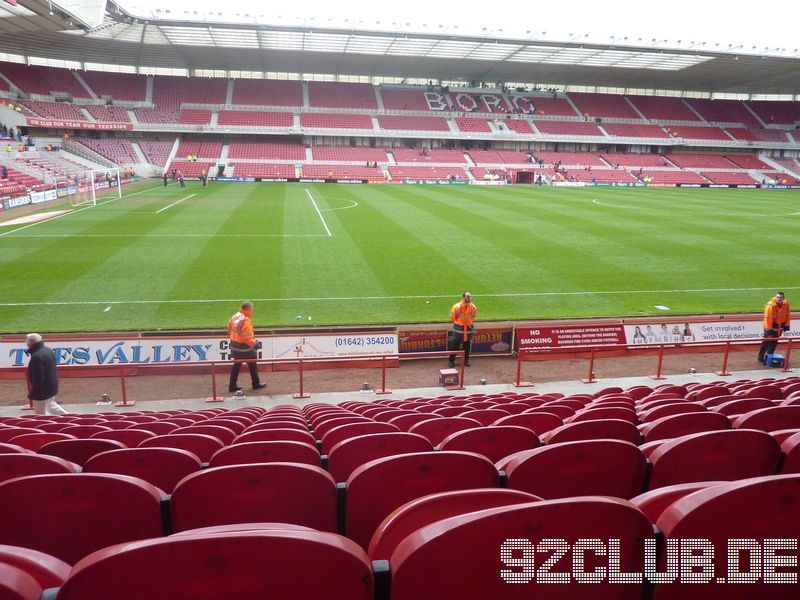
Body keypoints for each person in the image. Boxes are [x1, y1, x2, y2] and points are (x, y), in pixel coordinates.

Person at [227, 301, 266, 393]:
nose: (253, 310)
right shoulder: (246, 321)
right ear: (248, 309)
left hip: (235, 346)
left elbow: (229, 329)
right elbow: (247, 338)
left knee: (236, 366)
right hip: (245, 348)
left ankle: (232, 386)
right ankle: (256, 384)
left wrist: (236, 338)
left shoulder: (235, 316)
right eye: (252, 308)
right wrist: (256, 345)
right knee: (253, 365)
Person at [25, 333, 67, 416]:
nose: (26, 343)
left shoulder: (37, 357)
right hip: (51, 387)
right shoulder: (48, 350)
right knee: (51, 405)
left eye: (26, 341)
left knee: (41, 415)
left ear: (31, 342)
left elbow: (38, 378)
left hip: (42, 392)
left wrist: (33, 393)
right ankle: (69, 417)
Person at [758, 291, 791, 365]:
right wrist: (769, 332)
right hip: (770, 326)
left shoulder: (786, 304)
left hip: (780, 326)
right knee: (766, 342)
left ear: (783, 298)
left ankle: (769, 358)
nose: (779, 299)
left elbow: (787, 315)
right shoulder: (770, 306)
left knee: (774, 342)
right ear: (775, 297)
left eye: (780, 297)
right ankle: (760, 358)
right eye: (777, 297)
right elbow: (768, 319)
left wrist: (786, 326)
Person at [448, 292, 477, 368]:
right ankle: (451, 361)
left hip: (468, 328)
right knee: (455, 346)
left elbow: (473, 317)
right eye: (468, 297)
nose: (469, 298)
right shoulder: (457, 307)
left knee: (467, 347)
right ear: (463, 297)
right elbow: (452, 317)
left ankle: (466, 360)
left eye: (470, 297)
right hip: (459, 328)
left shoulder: (473, 307)